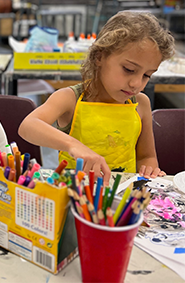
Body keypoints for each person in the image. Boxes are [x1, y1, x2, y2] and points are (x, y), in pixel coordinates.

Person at [18, 11, 175, 185]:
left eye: (147, 75)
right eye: (129, 70)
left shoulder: (140, 103)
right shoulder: (70, 99)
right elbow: (28, 126)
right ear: (99, 56)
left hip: (121, 199)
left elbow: (147, 156)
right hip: (75, 195)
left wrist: (149, 168)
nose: (136, 83)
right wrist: (73, 145)